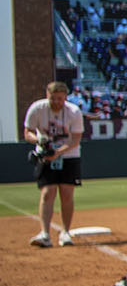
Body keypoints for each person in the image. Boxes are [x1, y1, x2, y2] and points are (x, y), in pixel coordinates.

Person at [24, 81, 85, 247]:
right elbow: (27, 132)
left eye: (60, 99)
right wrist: (39, 140)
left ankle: (65, 232)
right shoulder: (37, 109)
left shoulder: (74, 112)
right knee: (47, 193)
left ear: (65, 97)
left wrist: (58, 153)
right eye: (53, 99)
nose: (56, 102)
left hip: (69, 155)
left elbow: (75, 139)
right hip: (45, 154)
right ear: (47, 96)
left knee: (66, 193)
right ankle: (45, 233)